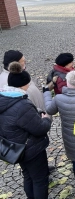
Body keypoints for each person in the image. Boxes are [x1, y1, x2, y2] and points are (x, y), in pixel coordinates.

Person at [0, 62, 51, 199]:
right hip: (31, 150)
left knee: (28, 176)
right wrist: (46, 119)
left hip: (16, 148)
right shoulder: (22, 105)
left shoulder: (3, 98)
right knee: (40, 180)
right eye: (28, 83)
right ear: (22, 85)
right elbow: (40, 128)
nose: (29, 85)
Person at [43, 70, 75, 197]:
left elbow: (49, 110)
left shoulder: (58, 98)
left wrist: (47, 94)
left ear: (67, 83)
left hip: (68, 136)